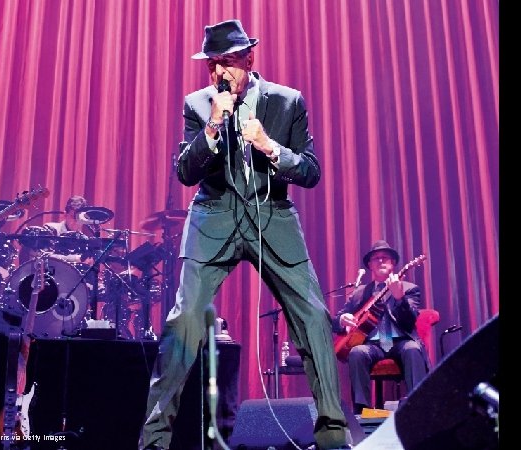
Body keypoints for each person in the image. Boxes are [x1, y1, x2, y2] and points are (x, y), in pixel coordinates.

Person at [139, 20, 351, 450]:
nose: (219, 72)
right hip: (212, 221)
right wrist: (212, 128)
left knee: (313, 318)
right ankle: (154, 439)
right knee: (183, 324)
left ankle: (332, 434)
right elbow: (184, 171)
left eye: (228, 62)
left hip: (272, 221)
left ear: (249, 59)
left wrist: (271, 147)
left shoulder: (287, 101)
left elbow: (310, 171)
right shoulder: (198, 104)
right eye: (212, 63)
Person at [332, 240, 428, 414]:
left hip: (400, 342)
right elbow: (336, 320)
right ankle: (363, 412)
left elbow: (410, 321)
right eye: (376, 258)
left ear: (393, 263)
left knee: (413, 349)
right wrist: (342, 319)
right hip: (372, 345)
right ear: (370, 265)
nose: (381, 261)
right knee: (357, 352)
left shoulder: (409, 288)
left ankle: (419, 407)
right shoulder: (360, 292)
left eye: (385, 258)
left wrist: (400, 298)